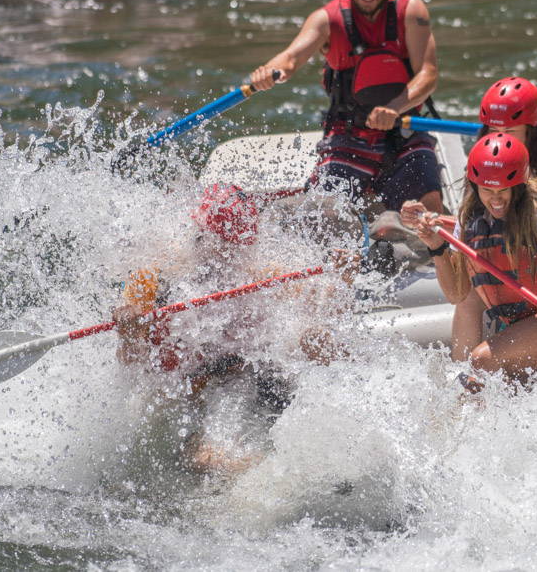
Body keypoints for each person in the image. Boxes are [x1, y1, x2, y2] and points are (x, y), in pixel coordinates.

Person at [113, 185, 361, 475]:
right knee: (203, 459)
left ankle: (326, 447)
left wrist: (343, 280)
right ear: (199, 234)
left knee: (313, 340)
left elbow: (314, 310)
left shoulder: (254, 272)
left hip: (238, 385)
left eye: (238, 248)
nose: (228, 258)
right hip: (180, 398)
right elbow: (131, 368)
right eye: (222, 244)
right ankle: (280, 474)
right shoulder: (153, 281)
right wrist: (128, 335)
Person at [401, 76, 537, 361]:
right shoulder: (487, 161)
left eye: (510, 130)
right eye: (493, 129)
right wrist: (429, 222)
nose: (500, 137)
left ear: (532, 128)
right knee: (468, 297)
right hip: (519, 254)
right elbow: (475, 219)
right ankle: (460, 373)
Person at [250, 0, 444, 216]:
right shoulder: (326, 19)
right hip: (348, 135)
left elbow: (428, 74)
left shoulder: (412, 12)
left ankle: (409, 236)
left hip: (405, 130)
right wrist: (270, 71)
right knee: (326, 214)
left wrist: (393, 109)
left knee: (429, 206)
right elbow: (290, 59)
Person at [411, 133, 537, 385]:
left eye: (504, 191)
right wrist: (436, 248)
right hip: (518, 324)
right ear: (474, 185)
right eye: (487, 190)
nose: (496, 199)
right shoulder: (468, 223)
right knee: (470, 372)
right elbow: (455, 294)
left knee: (481, 360)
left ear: (520, 186)